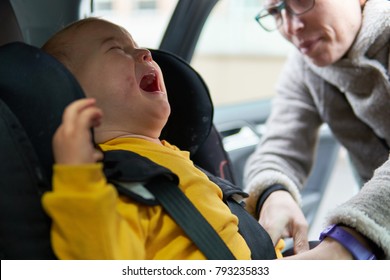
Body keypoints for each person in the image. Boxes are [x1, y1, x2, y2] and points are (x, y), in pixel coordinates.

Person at [40, 17, 285, 260]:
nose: (146, 52)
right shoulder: (109, 180)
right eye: (116, 49)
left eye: (137, 45)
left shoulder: (172, 158)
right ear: (72, 94)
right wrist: (78, 178)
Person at [244, 0, 390, 259]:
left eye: (301, 1)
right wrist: (274, 192)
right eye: (275, 12)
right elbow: (280, 145)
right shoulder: (305, 65)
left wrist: (346, 244)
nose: (291, 27)